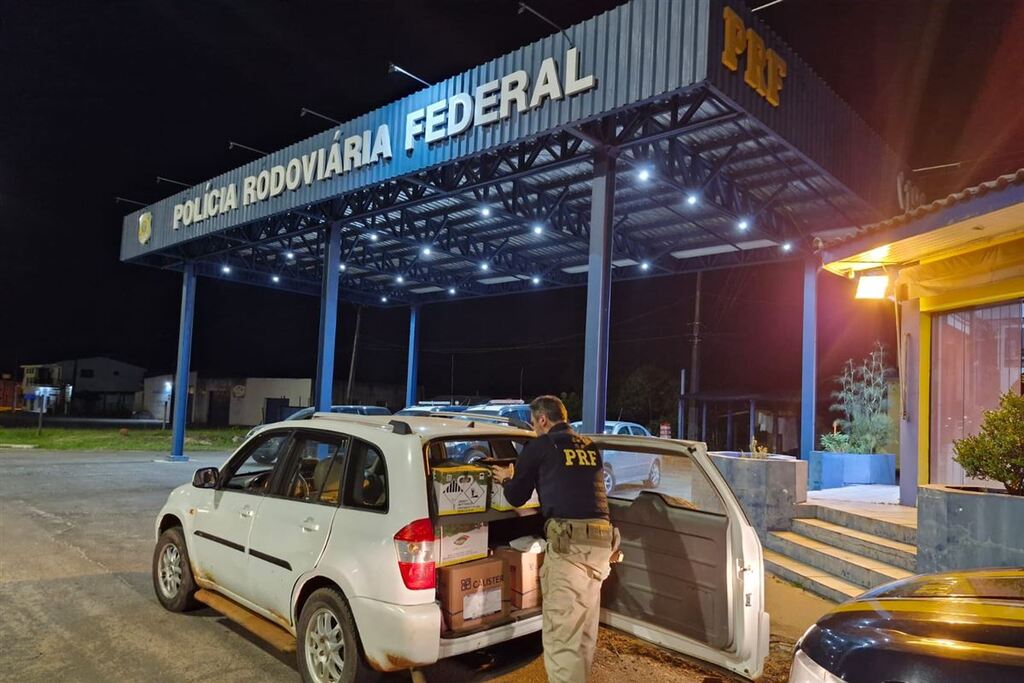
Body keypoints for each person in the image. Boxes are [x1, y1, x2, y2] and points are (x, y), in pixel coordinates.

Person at [490, 395, 618, 683]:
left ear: (543, 420)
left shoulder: (542, 446)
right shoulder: (589, 446)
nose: (534, 429)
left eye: (534, 424)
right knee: (583, 634)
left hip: (569, 549)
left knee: (563, 640)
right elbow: (576, 486)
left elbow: (515, 497)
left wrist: (508, 478)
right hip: (601, 546)